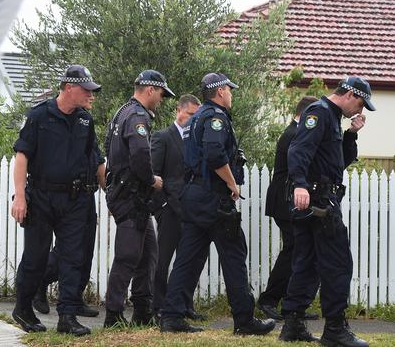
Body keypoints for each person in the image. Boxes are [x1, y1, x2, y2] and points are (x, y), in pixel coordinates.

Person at [160, 73, 275, 335]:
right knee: (234, 255)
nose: (231, 94)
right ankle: (244, 321)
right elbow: (214, 154)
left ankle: (171, 316)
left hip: (193, 197)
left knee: (188, 259)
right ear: (220, 91)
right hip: (213, 198)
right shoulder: (215, 118)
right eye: (230, 90)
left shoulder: (196, 117)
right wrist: (232, 183)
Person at [279, 77, 374, 347]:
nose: (360, 110)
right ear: (350, 95)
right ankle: (334, 329)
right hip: (317, 198)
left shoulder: (333, 118)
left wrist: (351, 134)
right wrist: (299, 183)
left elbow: (338, 164)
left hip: (317, 196)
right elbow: (298, 149)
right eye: (361, 104)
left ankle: (293, 325)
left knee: (306, 263)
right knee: (337, 263)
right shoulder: (319, 113)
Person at [10, 65, 101, 336]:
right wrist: (20, 196)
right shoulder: (39, 116)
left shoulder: (85, 120)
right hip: (41, 197)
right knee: (36, 258)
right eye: (86, 90)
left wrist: (111, 189)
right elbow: (22, 156)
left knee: (72, 257)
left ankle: (68, 316)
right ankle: (23, 307)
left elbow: (95, 159)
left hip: (75, 200)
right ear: (69, 88)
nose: (90, 95)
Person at [103, 69, 173, 327]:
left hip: (132, 198)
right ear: (150, 90)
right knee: (128, 255)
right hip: (132, 197)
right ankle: (113, 315)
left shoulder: (123, 112)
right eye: (161, 94)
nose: (161, 99)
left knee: (148, 254)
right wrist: (152, 180)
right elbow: (141, 155)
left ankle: (142, 311)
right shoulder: (137, 116)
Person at [257, 96, 320, 321]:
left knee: (297, 249)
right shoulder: (294, 134)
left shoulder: (295, 132)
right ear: (305, 114)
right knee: (293, 249)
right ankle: (269, 300)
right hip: (285, 200)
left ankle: (291, 304)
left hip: (285, 199)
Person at [32, 133, 106, 319]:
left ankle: (75, 298)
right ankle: (39, 281)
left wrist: (110, 195)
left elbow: (98, 164)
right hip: (70, 198)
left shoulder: (86, 128)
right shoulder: (63, 129)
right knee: (67, 251)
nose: (90, 101)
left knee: (86, 251)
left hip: (87, 197)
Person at [150, 94, 203, 320]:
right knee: (162, 260)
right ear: (179, 111)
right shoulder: (163, 137)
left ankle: (184, 304)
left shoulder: (197, 140)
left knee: (189, 261)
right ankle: (159, 305)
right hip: (169, 209)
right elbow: (152, 174)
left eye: (196, 116)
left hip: (191, 211)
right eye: (191, 114)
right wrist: (161, 207)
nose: (193, 119)